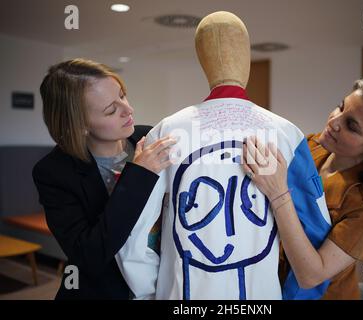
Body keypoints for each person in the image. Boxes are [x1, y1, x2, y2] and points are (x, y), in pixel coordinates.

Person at [116, 11, 331, 300]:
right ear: (245, 58)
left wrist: (154, 291)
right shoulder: (287, 135)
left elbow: (132, 231)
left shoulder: (165, 132)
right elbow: (316, 232)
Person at [242, 67, 363, 299]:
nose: (334, 121)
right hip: (268, 286)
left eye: (351, 125)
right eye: (341, 107)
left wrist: (279, 194)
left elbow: (311, 276)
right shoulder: (309, 147)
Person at [32, 58, 176, 299]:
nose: (128, 110)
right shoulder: (53, 172)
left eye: (123, 95)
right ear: (79, 126)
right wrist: (139, 176)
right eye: (111, 110)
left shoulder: (149, 138)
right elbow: (90, 255)